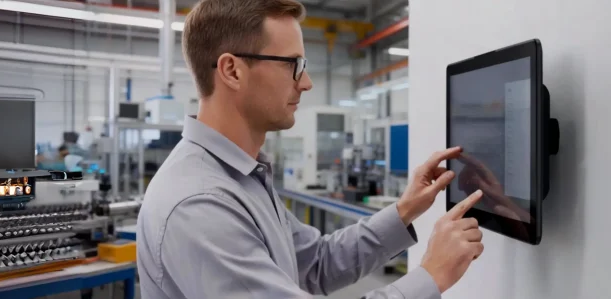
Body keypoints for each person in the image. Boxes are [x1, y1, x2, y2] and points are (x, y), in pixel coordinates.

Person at [137, 0, 486, 298]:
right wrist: (430, 276)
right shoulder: (200, 204)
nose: (306, 83)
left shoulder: (244, 178)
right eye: (293, 65)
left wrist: (404, 210)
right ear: (232, 71)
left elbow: (316, 262)